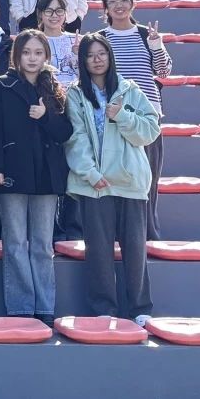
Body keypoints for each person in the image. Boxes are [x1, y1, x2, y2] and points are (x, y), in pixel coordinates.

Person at [64, 34, 160, 325]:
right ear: (83, 60)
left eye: (102, 53)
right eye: (90, 54)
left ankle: (140, 308)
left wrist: (123, 116)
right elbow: (75, 138)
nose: (97, 59)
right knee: (98, 250)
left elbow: (150, 131)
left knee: (135, 249)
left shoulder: (130, 89)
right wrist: (91, 174)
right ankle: (104, 308)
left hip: (130, 181)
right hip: (95, 184)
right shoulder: (75, 94)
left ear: (110, 56)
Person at [0, 30, 74, 326]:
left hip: (47, 176)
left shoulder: (54, 87)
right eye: (26, 52)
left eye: (38, 52)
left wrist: (45, 116)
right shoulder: (2, 85)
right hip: (12, 172)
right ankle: (21, 307)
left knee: (42, 244)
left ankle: (45, 307)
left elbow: (65, 132)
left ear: (46, 56)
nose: (32, 58)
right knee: (15, 242)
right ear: (17, 56)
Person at [96, 0, 173, 240]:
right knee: (116, 177)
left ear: (133, 3)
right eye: (112, 1)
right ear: (105, 8)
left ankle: (147, 234)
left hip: (147, 116)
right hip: (113, 117)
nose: (118, 5)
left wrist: (156, 45)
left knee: (148, 177)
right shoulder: (101, 39)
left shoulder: (145, 35)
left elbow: (163, 72)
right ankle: (117, 234)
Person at [37, 0, 79, 87]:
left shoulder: (76, 39)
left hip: (75, 92)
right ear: (40, 14)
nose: (54, 15)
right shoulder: (34, 41)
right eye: (49, 11)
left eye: (59, 11)